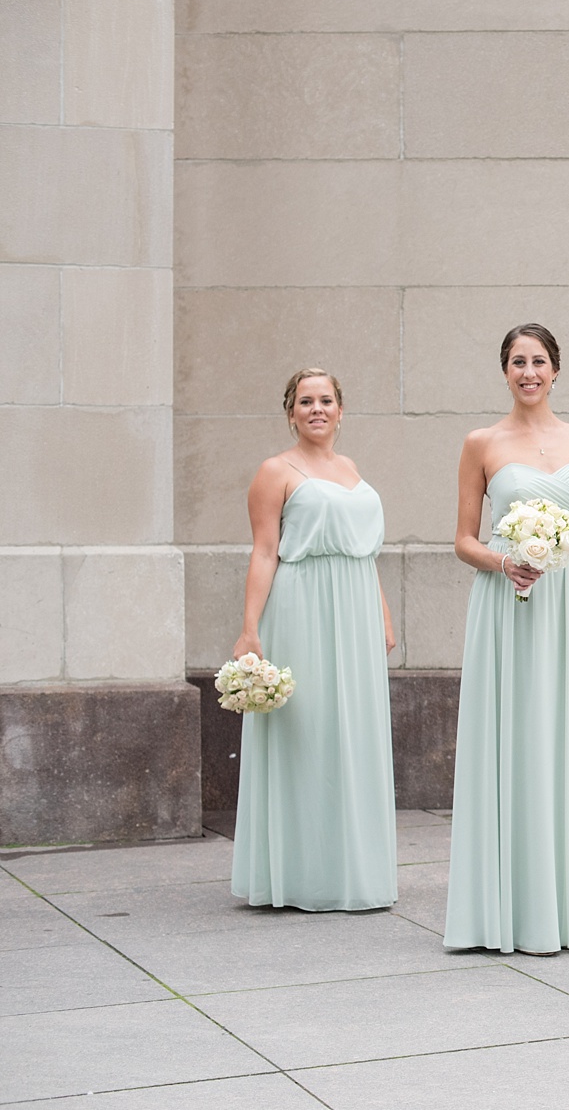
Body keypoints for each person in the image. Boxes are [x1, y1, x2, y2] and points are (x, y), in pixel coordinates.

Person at [443, 323, 569, 955]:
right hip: (511, 605)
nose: (529, 372)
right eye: (517, 362)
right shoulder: (481, 443)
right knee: (518, 739)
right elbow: (465, 538)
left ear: (555, 370)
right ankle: (512, 907)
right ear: (504, 371)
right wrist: (503, 562)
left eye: (539, 361)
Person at [231, 368, 397, 911]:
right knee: (307, 732)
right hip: (302, 606)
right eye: (306, 401)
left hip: (355, 609)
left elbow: (364, 552)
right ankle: (299, 874)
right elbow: (263, 552)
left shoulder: (351, 469)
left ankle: (352, 869)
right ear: (290, 412)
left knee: (353, 732)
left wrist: (383, 616)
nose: (317, 409)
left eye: (326, 400)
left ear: (341, 410)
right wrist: (249, 628)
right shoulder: (275, 471)